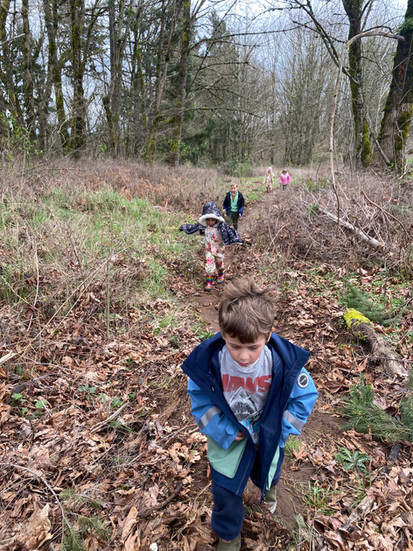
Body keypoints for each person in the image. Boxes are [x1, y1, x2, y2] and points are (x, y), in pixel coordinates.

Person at [180, 278, 318, 550]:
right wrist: (223, 430)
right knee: (224, 491)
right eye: (235, 346)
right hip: (229, 439)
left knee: (269, 471)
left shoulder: (281, 364)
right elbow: (200, 401)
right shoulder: (211, 364)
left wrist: (281, 430)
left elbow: (304, 397)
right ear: (223, 334)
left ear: (268, 335)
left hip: (267, 436)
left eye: (253, 347)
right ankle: (228, 535)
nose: (243, 357)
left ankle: (268, 490)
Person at [179, 202, 242, 291]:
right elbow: (193, 228)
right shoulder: (204, 227)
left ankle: (220, 274)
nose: (210, 222)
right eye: (208, 220)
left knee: (219, 265)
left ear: (216, 219)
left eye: (212, 220)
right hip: (208, 250)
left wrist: (236, 240)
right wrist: (183, 228)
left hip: (219, 250)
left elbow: (231, 233)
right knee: (209, 266)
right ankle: (209, 282)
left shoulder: (221, 227)